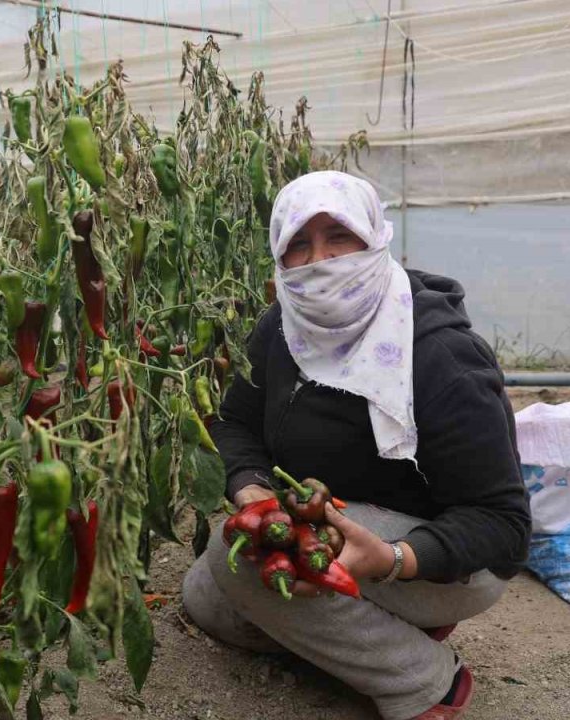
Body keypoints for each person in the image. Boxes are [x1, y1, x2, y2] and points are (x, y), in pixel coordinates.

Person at [181, 171, 531, 720]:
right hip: (326, 524)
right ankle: (386, 622)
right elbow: (234, 422)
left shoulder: (442, 356)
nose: (320, 260)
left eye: (338, 236)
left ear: (374, 239)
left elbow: (504, 526)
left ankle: (429, 682)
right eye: (298, 243)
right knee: (206, 598)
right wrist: (250, 488)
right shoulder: (283, 328)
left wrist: (395, 561)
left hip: (439, 554)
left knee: (241, 574)